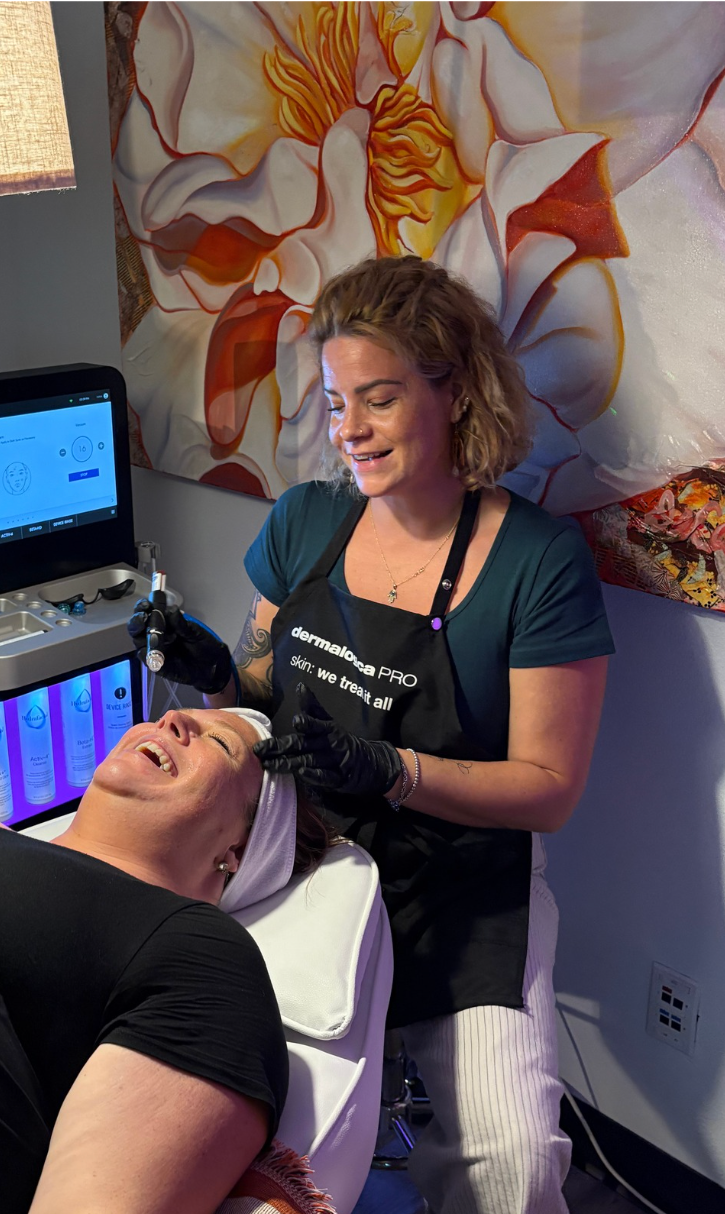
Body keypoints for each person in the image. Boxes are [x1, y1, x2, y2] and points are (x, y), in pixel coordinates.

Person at [128, 257, 615, 1214]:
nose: (346, 430)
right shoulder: (310, 521)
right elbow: (262, 681)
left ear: (457, 393)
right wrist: (212, 670)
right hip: (301, 862)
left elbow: (550, 787)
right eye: (337, 398)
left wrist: (391, 769)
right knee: (233, 1120)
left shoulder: (538, 563)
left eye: (379, 400)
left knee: (509, 1163)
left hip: (459, 888)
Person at [0, 705, 331, 1214]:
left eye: (220, 744)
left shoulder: (202, 956)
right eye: (177, 713)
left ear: (238, 852)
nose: (173, 718)